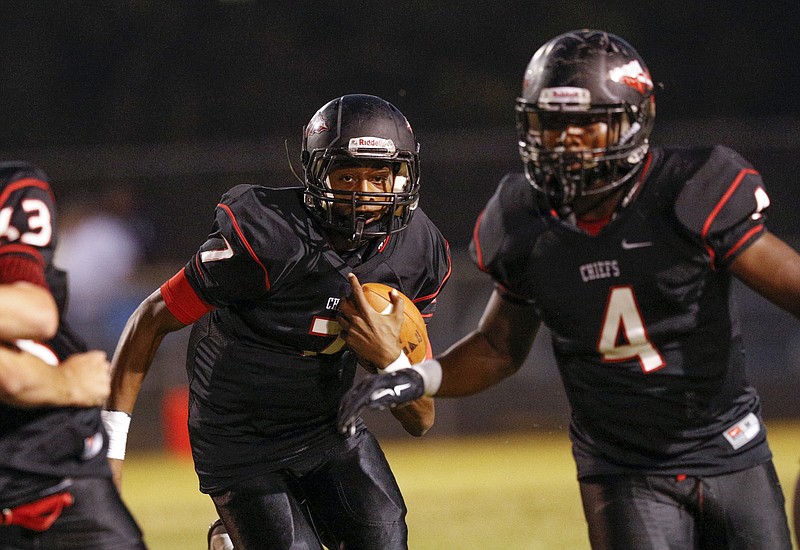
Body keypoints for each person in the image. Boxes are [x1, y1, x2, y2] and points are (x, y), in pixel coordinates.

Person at [337, 30, 799, 549]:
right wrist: (413, 377)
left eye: (585, 126)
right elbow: (496, 349)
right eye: (552, 125)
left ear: (632, 121)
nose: (565, 142)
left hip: (732, 449)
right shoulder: (521, 218)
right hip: (622, 469)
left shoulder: (691, 190)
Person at [104, 94, 451, 550]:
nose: (363, 194)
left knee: (385, 539)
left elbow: (421, 419)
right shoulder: (267, 237)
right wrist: (108, 450)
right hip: (238, 431)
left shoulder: (416, 249)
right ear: (317, 175)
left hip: (328, 423)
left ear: (401, 177)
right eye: (346, 175)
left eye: (378, 176)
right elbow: (150, 321)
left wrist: (389, 359)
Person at [0, 161, 146, 548]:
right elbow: (35, 321)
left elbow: (35, 313)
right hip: (40, 456)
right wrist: (60, 382)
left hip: (51, 456)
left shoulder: (14, 190)